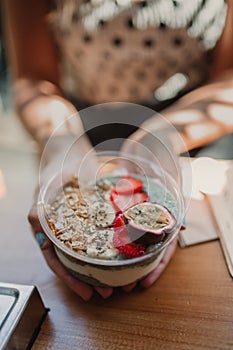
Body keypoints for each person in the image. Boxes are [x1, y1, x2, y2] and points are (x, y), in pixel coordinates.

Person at [2, 0, 233, 301]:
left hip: (185, 137)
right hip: (74, 130)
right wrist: (61, 147)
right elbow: (33, 77)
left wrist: (160, 137)